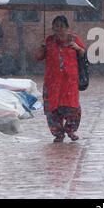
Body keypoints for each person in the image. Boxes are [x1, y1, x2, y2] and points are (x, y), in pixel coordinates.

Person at [34, 15, 86, 143]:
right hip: (52, 82)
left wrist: (78, 48)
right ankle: (58, 133)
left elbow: (83, 53)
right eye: (56, 26)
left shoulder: (74, 39)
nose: (59, 29)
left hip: (70, 82)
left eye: (62, 26)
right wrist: (42, 47)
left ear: (67, 27)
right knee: (52, 109)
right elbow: (38, 57)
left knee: (72, 107)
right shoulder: (49, 41)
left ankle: (70, 130)